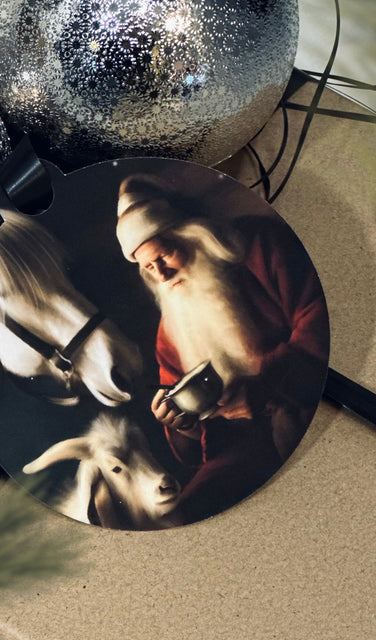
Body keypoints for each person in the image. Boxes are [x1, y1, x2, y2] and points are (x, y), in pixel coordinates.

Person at [116, 173, 329, 523]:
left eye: (164, 255)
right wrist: (180, 424)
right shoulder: (169, 332)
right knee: (189, 514)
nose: (162, 275)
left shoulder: (259, 246)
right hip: (244, 445)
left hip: (312, 403)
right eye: (149, 268)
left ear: (190, 234)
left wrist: (269, 383)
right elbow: (200, 441)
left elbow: (320, 316)